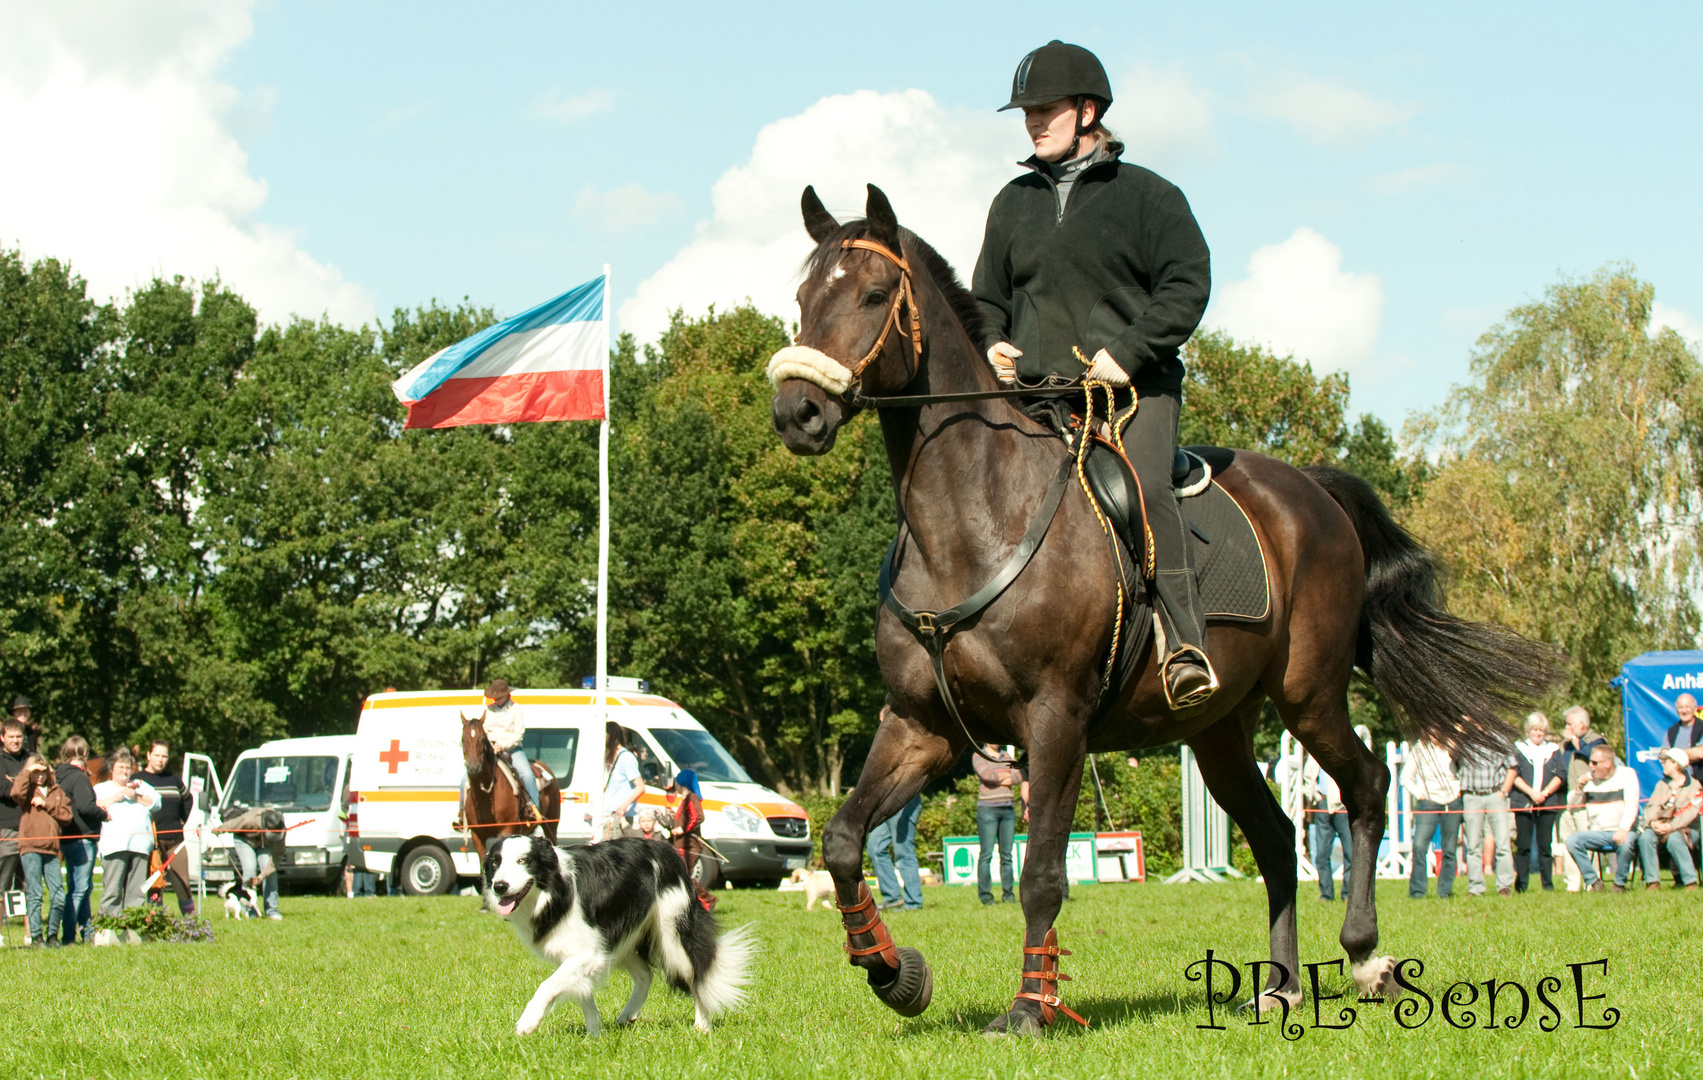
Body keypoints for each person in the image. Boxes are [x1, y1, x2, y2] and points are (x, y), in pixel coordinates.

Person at [972, 39, 1215, 711]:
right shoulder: (1012, 202)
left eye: (1044, 109)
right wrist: (991, 341)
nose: (1031, 122)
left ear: (1087, 110)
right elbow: (987, 297)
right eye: (1025, 112)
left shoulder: (1149, 197)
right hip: (1036, 399)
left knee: (1142, 492)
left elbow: (1186, 285)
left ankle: (1184, 644)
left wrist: (1128, 353)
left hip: (1131, 394)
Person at [10, 753, 71, 946]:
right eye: (35, 772)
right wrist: (27, 770)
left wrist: (47, 804)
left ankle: (53, 934)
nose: (39, 776)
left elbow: (67, 816)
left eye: (42, 772)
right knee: (35, 893)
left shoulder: (56, 791)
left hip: (52, 849)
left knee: (58, 894)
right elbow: (15, 793)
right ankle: (36, 936)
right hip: (30, 847)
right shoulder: (27, 791)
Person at [1563, 744, 1642, 892]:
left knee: (1627, 843)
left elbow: (1632, 805)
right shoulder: (1589, 782)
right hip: (1597, 832)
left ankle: (1619, 884)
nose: (1590, 766)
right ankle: (1594, 882)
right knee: (1573, 841)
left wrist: (1623, 829)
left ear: (1608, 764)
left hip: (1622, 830)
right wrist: (1579, 788)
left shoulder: (1627, 775)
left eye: (1594, 763)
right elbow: (1571, 806)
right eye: (1590, 763)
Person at [93, 748, 159, 919]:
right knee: (112, 890)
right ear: (112, 768)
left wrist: (135, 796)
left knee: (136, 893)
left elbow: (157, 803)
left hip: (140, 847)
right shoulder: (101, 788)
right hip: (114, 847)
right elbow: (94, 807)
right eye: (120, 767)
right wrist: (116, 797)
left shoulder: (141, 786)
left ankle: (134, 926)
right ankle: (110, 927)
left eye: (127, 767)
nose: (124, 771)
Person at [136, 739, 195, 916]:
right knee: (155, 885)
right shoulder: (138, 780)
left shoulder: (174, 779)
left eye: (164, 756)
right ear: (148, 756)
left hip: (176, 840)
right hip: (152, 842)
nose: (160, 760)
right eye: (157, 756)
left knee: (183, 883)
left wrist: (181, 820)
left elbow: (188, 799)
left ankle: (191, 923)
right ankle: (156, 922)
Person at [1509, 713, 1567, 892]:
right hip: (1524, 803)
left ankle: (1547, 885)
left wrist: (1544, 793)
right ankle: (1521, 886)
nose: (1538, 733)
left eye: (1541, 730)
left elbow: (1560, 775)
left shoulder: (1553, 750)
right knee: (1523, 846)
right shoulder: (1518, 748)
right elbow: (1514, 774)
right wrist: (1531, 793)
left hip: (1547, 803)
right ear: (1529, 730)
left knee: (1545, 846)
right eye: (1535, 730)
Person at [1401, 736, 1462, 898]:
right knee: (1420, 847)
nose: (1436, 733)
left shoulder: (1454, 745)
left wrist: (1460, 790)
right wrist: (1420, 794)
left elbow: (1466, 770)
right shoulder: (1419, 749)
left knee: (1450, 849)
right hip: (1427, 802)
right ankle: (1417, 892)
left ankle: (1445, 892)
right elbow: (1405, 777)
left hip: (1452, 801)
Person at [54, 737, 101, 944]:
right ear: (83, 755)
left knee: (79, 886)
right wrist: (103, 814)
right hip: (82, 837)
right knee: (80, 889)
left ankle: (87, 933)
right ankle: (69, 936)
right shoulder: (79, 778)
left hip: (67, 837)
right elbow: (86, 807)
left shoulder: (59, 776)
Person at [1456, 739, 1517, 896]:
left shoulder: (1498, 738)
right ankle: (1475, 887)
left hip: (1495, 794)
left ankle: (1505, 886)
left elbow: (1512, 767)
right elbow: (1452, 760)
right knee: (1473, 844)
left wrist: (1503, 791)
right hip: (1471, 796)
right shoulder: (1462, 740)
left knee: (1503, 842)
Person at [1635, 748, 1701, 890]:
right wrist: (1653, 822)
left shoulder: (1694, 786)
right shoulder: (1662, 784)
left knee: (1675, 839)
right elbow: (1652, 805)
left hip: (1687, 829)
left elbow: (1690, 812)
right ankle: (1652, 882)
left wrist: (1671, 826)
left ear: (1676, 764)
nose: (1662, 764)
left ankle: (1690, 882)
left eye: (1666, 762)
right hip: (1661, 825)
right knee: (1645, 837)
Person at [480, 679, 543, 825]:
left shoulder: (516, 709)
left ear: (507, 695)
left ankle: (533, 807)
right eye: (495, 697)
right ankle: (462, 813)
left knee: (526, 774)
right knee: (468, 778)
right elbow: (485, 730)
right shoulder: (488, 710)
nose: (497, 700)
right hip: (492, 749)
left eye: (499, 697)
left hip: (512, 749)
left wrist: (503, 745)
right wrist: (491, 744)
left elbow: (518, 734)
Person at [1557, 706, 1605, 891]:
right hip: (1568, 797)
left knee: (1587, 840)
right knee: (1566, 840)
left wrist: (1575, 742)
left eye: (1569, 724)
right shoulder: (1567, 744)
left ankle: (1593, 882)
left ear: (1581, 724)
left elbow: (1590, 756)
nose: (1566, 727)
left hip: (1587, 798)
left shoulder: (1596, 741)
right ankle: (1572, 884)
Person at [973, 742, 1023, 906]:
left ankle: (1008, 894)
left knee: (1007, 856)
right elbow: (987, 776)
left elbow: (1019, 776)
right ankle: (986, 896)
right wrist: (1006, 777)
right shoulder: (978, 755)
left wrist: (999, 778)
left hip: (1008, 809)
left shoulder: (1007, 756)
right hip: (987, 809)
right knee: (986, 855)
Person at [216, 806, 286, 919]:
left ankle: (271, 909)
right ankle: (249, 910)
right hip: (244, 840)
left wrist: (262, 876)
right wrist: (217, 830)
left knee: (270, 872)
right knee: (250, 868)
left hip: (265, 844)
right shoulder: (249, 819)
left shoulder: (279, 826)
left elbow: (277, 856)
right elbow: (232, 824)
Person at [664, 769, 715, 912]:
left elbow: (698, 817)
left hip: (689, 845)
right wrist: (675, 816)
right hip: (681, 844)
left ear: (681, 783)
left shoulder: (692, 798)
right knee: (681, 875)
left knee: (684, 876)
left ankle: (707, 901)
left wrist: (682, 829)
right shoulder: (685, 800)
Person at [1303, 754, 1351, 900]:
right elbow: (1307, 777)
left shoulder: (1343, 753)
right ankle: (1326, 895)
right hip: (1322, 805)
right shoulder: (1314, 755)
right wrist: (1315, 797)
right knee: (1321, 855)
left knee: (1351, 853)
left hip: (1343, 807)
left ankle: (1348, 894)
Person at [866, 793, 924, 912]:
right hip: (887, 805)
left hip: (905, 803)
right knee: (875, 847)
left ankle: (913, 902)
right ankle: (892, 897)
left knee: (904, 852)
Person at [597, 721, 643, 841]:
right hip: (609, 817)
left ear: (610, 735)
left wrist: (624, 805)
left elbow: (640, 786)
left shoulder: (626, 758)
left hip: (621, 818)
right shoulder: (611, 756)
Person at [0, 719, 26, 893]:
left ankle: (29, 920)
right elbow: (4, 789)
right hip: (7, 828)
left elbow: (44, 785)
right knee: (3, 879)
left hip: (30, 827)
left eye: (19, 736)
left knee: (27, 882)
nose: (15, 740)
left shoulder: (29, 758)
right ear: (2, 738)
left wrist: (16, 781)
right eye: (11, 737)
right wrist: (26, 782)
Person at [1662, 693, 1703, 785]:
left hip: (1698, 783)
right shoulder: (1671, 732)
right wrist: (1690, 753)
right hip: (1674, 783)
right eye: (1681, 708)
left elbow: (1700, 753)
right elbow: (1664, 754)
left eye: (1687, 707)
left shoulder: (1701, 728)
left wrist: (1673, 754)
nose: (1684, 711)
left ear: (1695, 709)